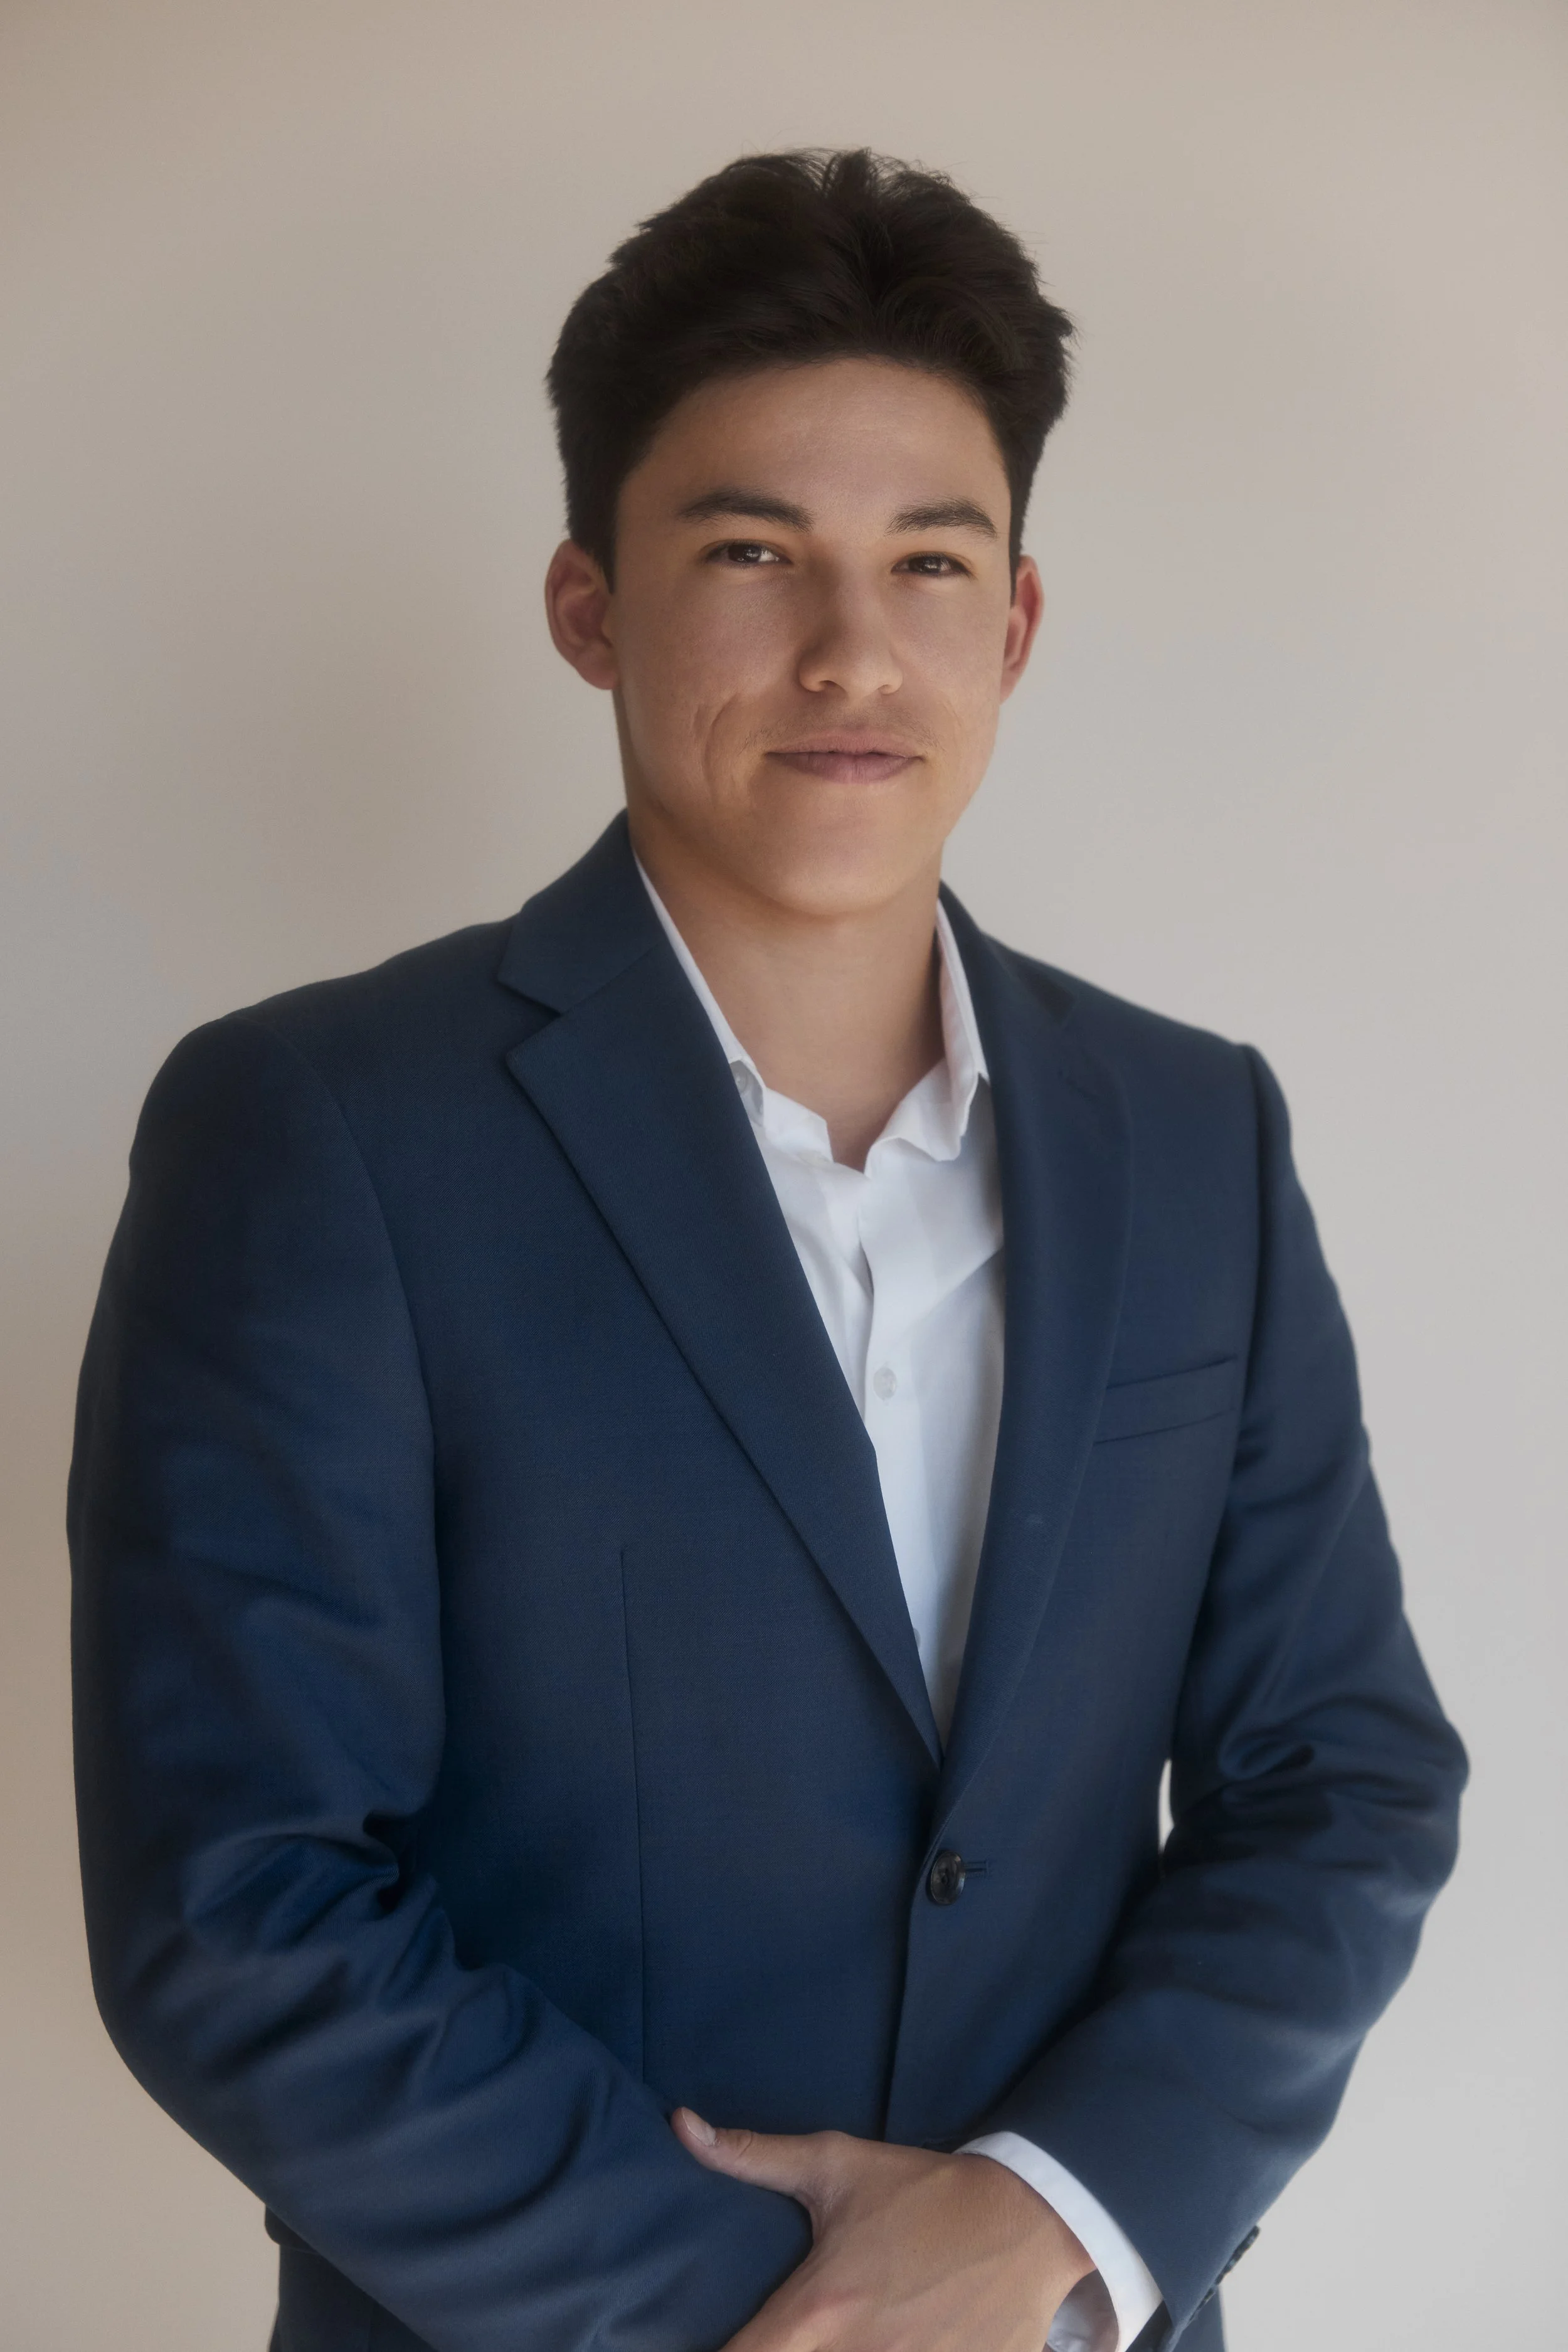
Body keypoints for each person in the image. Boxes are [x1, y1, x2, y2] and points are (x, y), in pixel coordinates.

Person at [69, 149, 1466, 2352]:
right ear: (586, 606)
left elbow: (1342, 1775)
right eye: (750, 551)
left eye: (929, 560)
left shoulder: (1195, 1133)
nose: (850, 649)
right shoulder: (316, 1125)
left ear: (1011, 623)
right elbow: (235, 1909)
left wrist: (1039, 2227)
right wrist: (810, 2313)